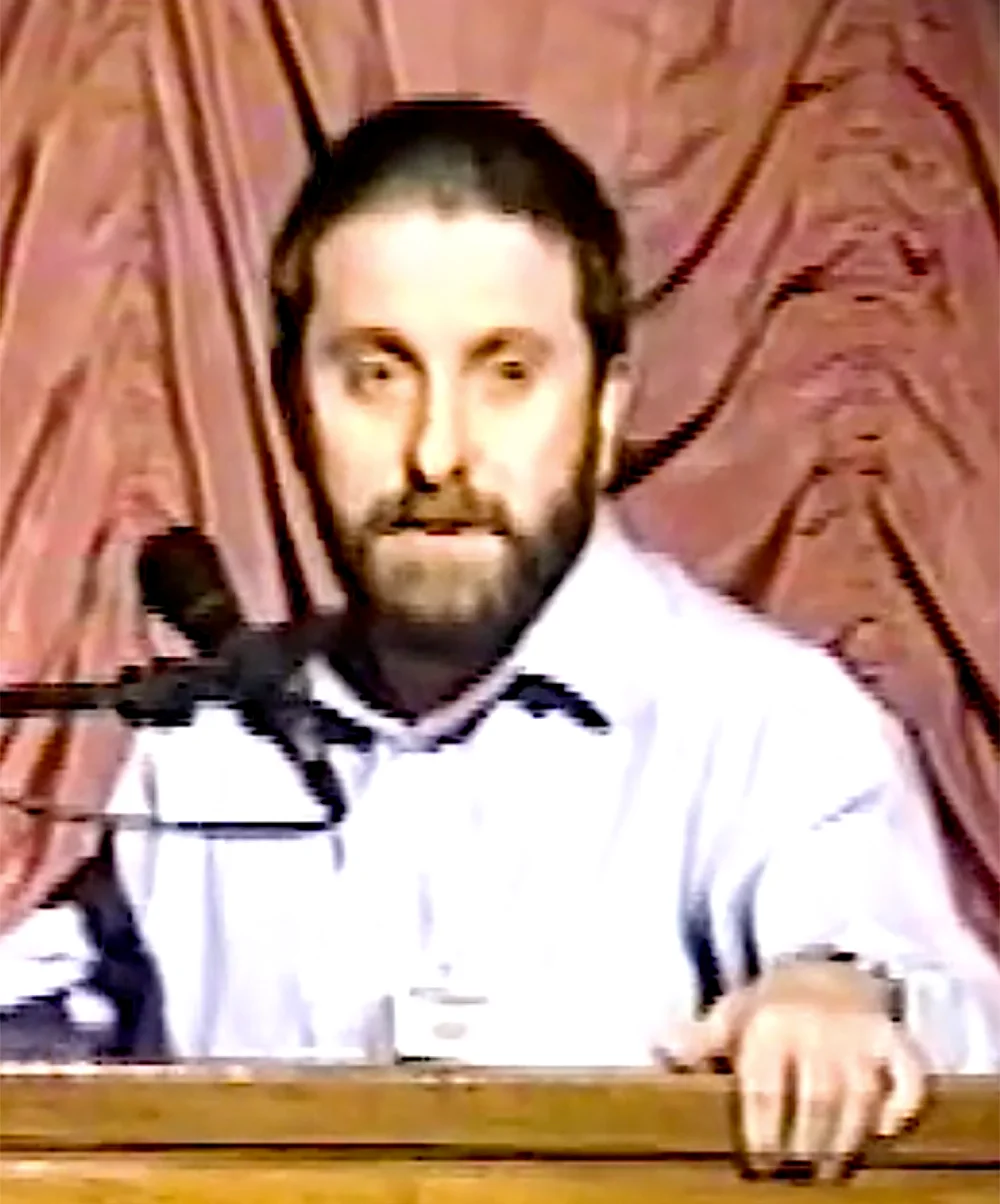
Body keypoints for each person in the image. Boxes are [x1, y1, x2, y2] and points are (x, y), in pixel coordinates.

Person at [2, 96, 998, 1182]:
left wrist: (838, 1000)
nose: (437, 452)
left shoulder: (773, 728)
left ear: (606, 410)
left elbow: (908, 986)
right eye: (377, 374)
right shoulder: (207, 758)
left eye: (507, 373)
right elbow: (50, 1024)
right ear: (293, 407)